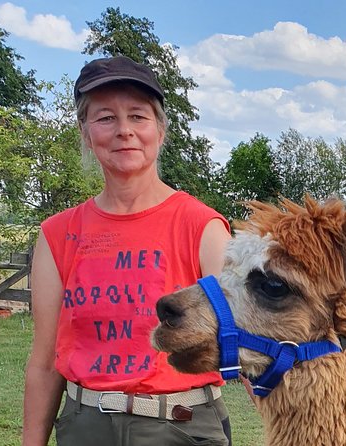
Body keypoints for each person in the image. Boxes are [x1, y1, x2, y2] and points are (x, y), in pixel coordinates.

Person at [22, 56, 232, 446]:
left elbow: (244, 340)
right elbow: (44, 362)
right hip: (85, 429)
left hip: (181, 428)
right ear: (86, 133)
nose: (124, 131)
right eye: (105, 118)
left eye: (138, 116)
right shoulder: (58, 234)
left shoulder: (203, 227)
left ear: (160, 130)